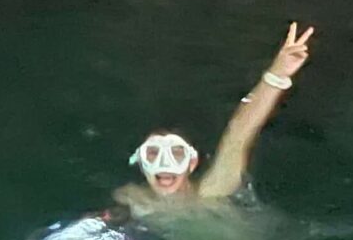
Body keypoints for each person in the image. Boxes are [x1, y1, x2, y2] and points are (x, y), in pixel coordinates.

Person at [116, 23, 315, 219]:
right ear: (140, 162)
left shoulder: (213, 191)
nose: (164, 162)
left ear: (192, 163)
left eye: (177, 152)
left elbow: (239, 134)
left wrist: (277, 76)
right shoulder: (134, 199)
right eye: (153, 153)